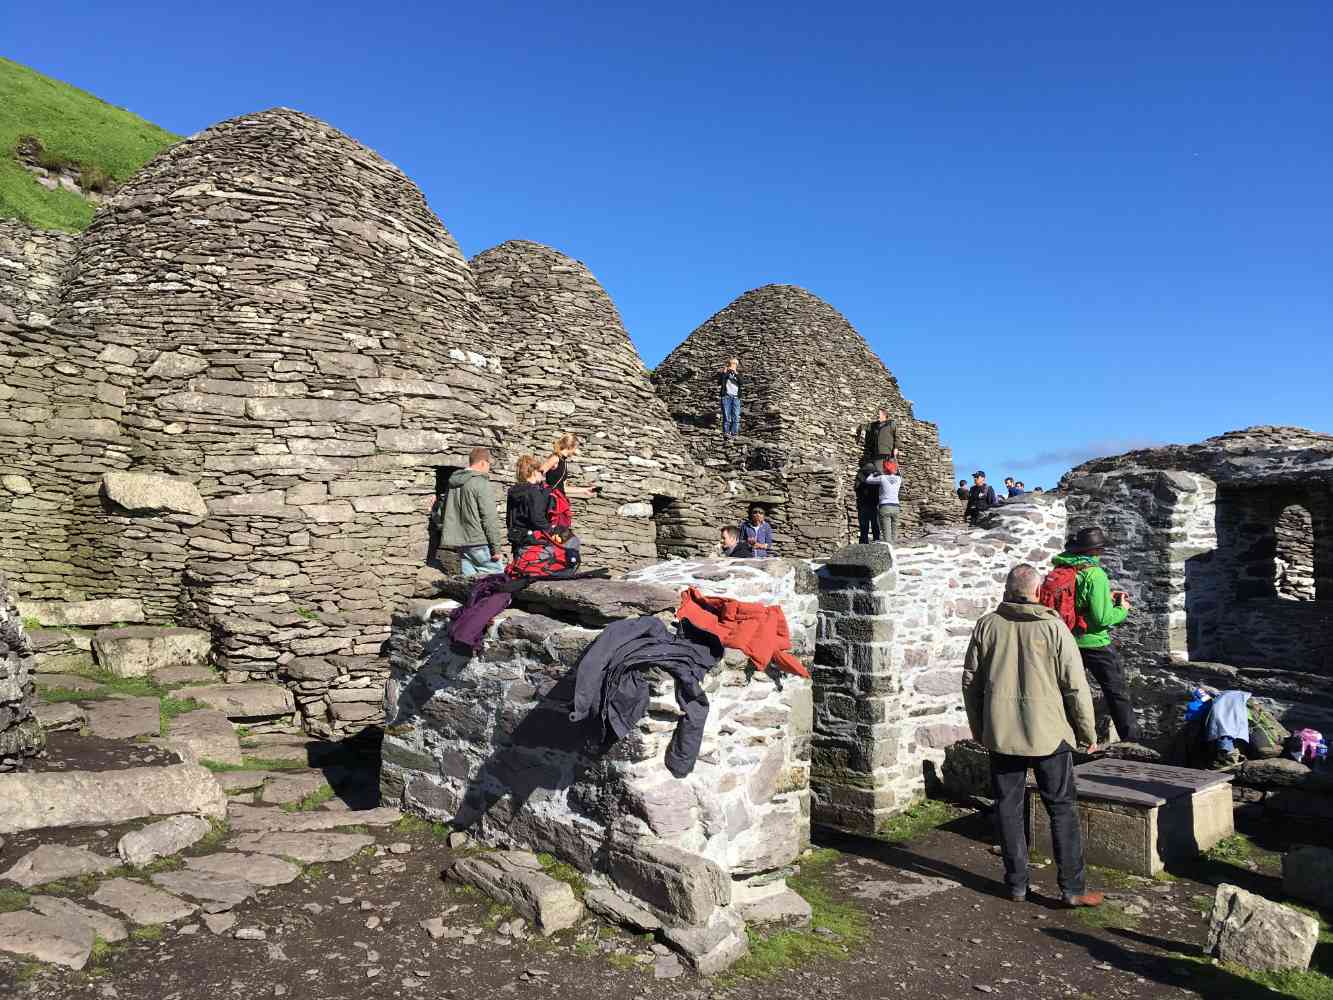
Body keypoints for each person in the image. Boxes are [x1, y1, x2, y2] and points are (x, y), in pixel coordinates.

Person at [963, 563, 1103, 908]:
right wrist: (1087, 731)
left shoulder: (988, 625)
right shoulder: (1054, 628)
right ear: (1038, 592)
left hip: (1002, 732)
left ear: (1008, 590)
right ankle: (1072, 888)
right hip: (1049, 733)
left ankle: (1016, 885)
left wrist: (980, 728)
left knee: (1008, 808)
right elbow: (1075, 685)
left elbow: (971, 682)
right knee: (1062, 808)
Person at [1048, 527, 1138, 743]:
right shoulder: (1094, 574)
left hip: (1068, 640)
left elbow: (1076, 601)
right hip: (1095, 642)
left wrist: (1106, 596)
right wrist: (1122, 608)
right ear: (1097, 551)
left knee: (1069, 691)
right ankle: (1130, 741)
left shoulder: (1063, 567)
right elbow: (1102, 619)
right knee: (1117, 693)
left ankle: (1068, 739)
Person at [438, 447, 506, 576]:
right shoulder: (480, 482)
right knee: (497, 584)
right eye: (488, 464)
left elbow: (444, 512)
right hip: (479, 541)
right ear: (482, 463)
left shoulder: (453, 483)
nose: (489, 468)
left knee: (471, 586)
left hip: (462, 544)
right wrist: (496, 548)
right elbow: (489, 517)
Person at [539, 433, 600, 529]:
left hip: (560, 502)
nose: (575, 451)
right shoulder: (555, 458)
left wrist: (584, 490)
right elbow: (538, 474)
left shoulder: (564, 462)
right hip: (551, 503)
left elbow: (563, 488)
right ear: (570, 446)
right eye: (575, 448)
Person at [506, 454, 554, 556]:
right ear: (534, 472)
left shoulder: (513, 491)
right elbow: (537, 518)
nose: (542, 475)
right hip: (532, 542)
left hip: (517, 540)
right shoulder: (533, 492)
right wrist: (551, 530)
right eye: (540, 472)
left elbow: (509, 518)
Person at [863, 459, 904, 543]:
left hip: (885, 506)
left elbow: (868, 480)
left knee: (887, 535)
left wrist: (873, 473)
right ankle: (894, 549)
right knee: (894, 534)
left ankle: (888, 552)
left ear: (885, 469)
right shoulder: (899, 479)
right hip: (896, 506)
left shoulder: (882, 478)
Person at [855, 460, 883, 544]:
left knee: (864, 522)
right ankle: (876, 538)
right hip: (875, 501)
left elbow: (856, 487)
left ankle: (864, 540)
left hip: (863, 501)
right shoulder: (877, 474)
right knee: (875, 521)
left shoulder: (861, 473)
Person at [717, 358, 742, 438]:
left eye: (735, 363)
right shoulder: (724, 373)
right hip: (726, 396)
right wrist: (724, 373)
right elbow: (719, 382)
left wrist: (736, 373)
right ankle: (726, 432)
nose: (733, 365)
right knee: (727, 416)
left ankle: (734, 433)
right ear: (728, 364)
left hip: (736, 397)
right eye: (732, 363)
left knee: (736, 416)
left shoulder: (738, 374)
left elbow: (742, 382)